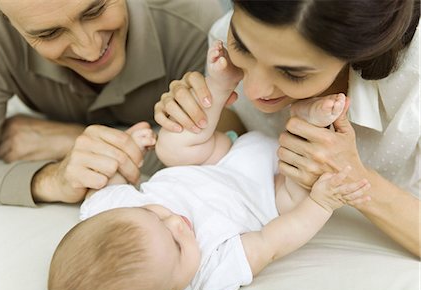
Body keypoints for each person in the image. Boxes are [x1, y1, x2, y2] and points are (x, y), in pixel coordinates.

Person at [48, 41, 370, 290]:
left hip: (216, 158)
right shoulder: (209, 274)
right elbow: (271, 242)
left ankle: (217, 87)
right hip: (264, 192)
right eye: (177, 246)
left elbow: (111, 181)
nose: (177, 223)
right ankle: (310, 122)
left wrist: (129, 148)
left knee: (170, 147)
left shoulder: (109, 215)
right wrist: (321, 203)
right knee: (295, 194)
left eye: (155, 216)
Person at [154, 0, 420, 257]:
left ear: (359, 52)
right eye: (243, 49)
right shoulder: (249, 28)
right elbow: (240, 129)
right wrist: (198, 113)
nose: (253, 89)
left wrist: (354, 178)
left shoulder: (413, 82)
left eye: (293, 74)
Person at [0, 0, 223, 206]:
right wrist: (50, 179)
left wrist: (66, 140)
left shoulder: (192, 19)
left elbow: (225, 144)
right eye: (49, 34)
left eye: (95, 10)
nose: (89, 50)